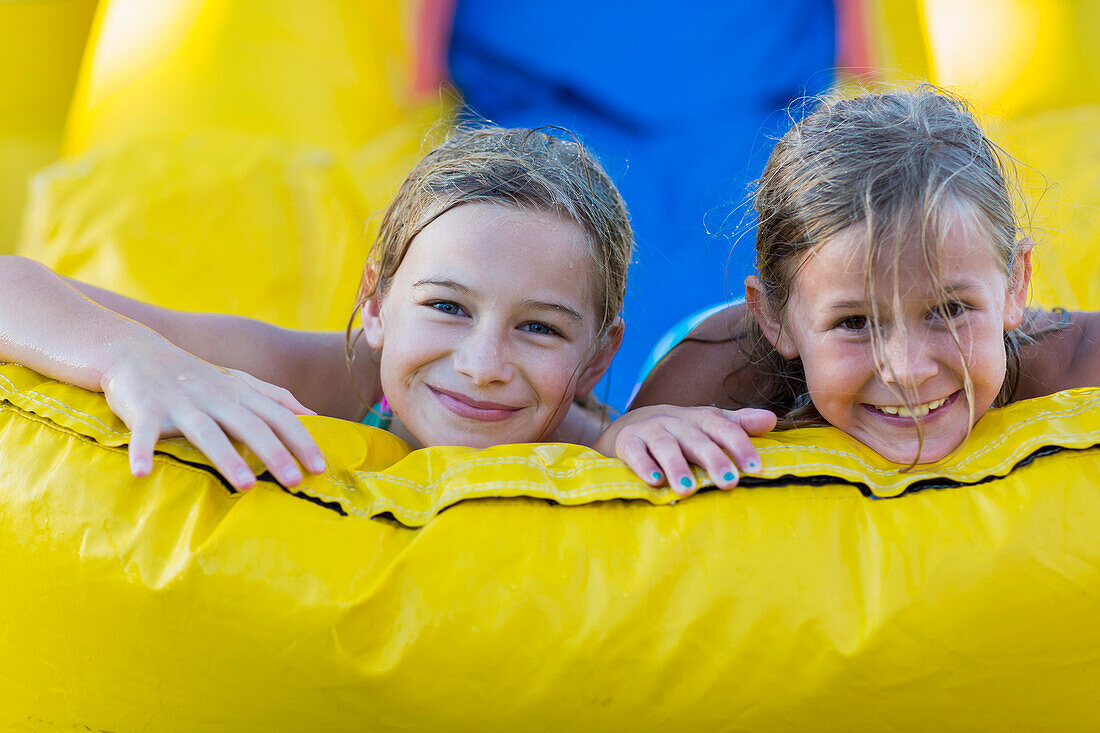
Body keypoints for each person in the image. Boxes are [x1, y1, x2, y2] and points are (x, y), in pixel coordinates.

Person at [0, 126, 766, 496]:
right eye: (445, 306)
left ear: (600, 356)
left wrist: (629, 433)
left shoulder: (605, 448)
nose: (481, 364)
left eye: (538, 327)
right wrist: (133, 354)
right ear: (374, 300)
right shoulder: (333, 378)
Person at [621, 86, 1100, 465]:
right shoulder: (711, 377)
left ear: (1016, 282)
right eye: (854, 322)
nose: (909, 370)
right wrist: (620, 434)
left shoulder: (1079, 364)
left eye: (950, 310)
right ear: (774, 316)